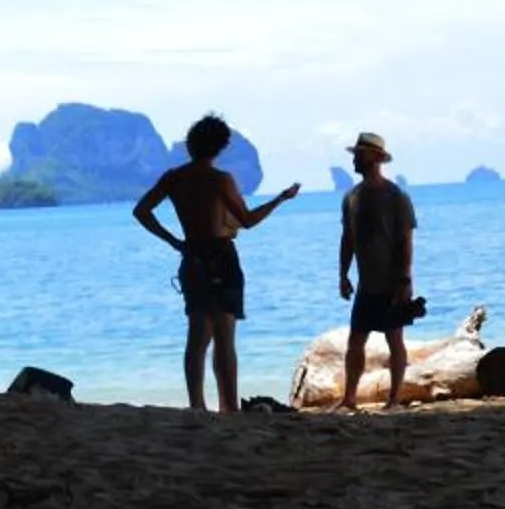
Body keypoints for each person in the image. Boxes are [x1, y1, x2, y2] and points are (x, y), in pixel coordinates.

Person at [133, 114, 301, 413]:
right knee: (224, 336)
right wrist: (280, 199)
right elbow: (247, 221)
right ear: (220, 147)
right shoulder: (221, 180)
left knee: (197, 336)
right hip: (221, 257)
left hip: (193, 256)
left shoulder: (174, 178)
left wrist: (175, 242)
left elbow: (142, 211)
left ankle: (197, 405)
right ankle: (229, 406)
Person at [337, 130, 419, 411]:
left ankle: (394, 399)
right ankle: (349, 398)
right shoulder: (351, 197)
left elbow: (405, 240)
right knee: (355, 341)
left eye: (360, 154)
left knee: (394, 339)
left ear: (375, 157)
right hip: (365, 283)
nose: (355, 159)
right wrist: (343, 275)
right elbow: (347, 238)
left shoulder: (396, 197)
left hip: (391, 281)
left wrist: (405, 279)